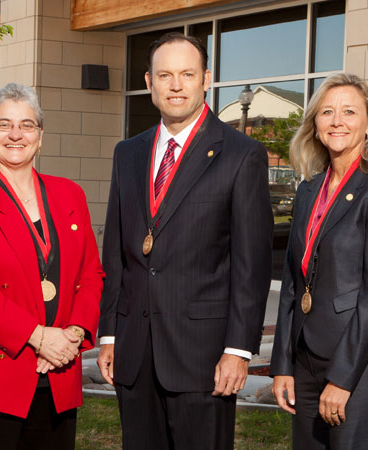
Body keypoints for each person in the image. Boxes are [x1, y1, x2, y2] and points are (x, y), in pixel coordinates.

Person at [97, 32, 273, 449]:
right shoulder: (129, 152)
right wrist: (110, 335)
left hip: (204, 356)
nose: (176, 85)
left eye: (187, 74)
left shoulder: (240, 153)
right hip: (135, 352)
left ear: (206, 78)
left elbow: (252, 264)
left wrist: (238, 349)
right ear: (149, 82)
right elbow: (118, 252)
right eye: (165, 75)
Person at [0, 82, 104, 450]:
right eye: (3, 124)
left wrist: (73, 335)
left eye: (27, 125)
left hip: (56, 371)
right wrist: (39, 337)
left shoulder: (69, 194)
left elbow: (91, 275)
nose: (16, 135)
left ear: (40, 136)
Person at [269, 72, 368, 449]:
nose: (337, 121)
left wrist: (343, 378)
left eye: (349, 112)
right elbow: (291, 286)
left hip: (358, 366)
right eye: (327, 112)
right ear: (315, 124)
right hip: (307, 362)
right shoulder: (308, 190)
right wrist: (283, 365)